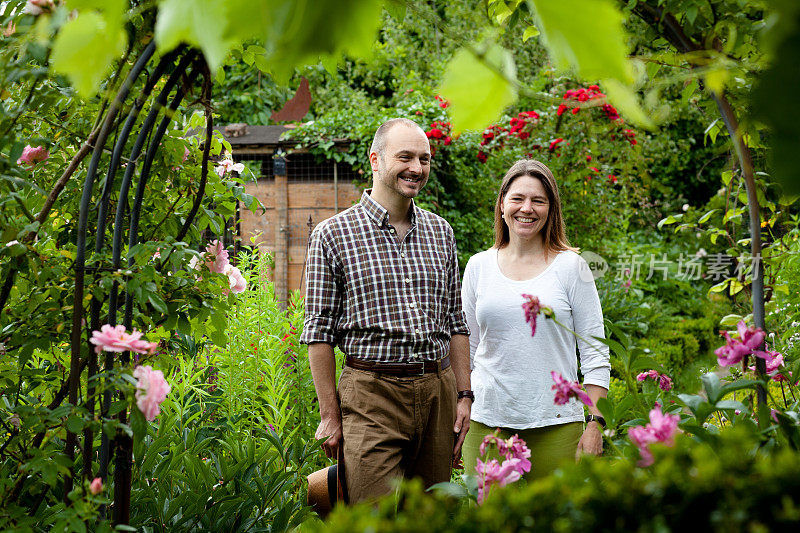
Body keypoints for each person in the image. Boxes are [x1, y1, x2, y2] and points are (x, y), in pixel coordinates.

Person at [300, 118, 473, 504]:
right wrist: (330, 414)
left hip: (437, 391)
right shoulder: (332, 234)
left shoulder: (440, 232)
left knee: (427, 515)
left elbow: (455, 321)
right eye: (406, 157)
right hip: (370, 393)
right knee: (372, 517)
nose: (417, 167)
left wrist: (464, 395)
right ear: (376, 160)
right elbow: (318, 332)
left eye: (424, 159)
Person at [460, 159, 610, 480]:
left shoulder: (572, 268)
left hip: (557, 424)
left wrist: (596, 422)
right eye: (517, 198)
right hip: (487, 422)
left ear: (550, 209)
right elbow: (466, 351)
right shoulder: (478, 266)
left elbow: (595, 352)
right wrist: (459, 407)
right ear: (502, 205)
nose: (526, 208)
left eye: (538, 200)